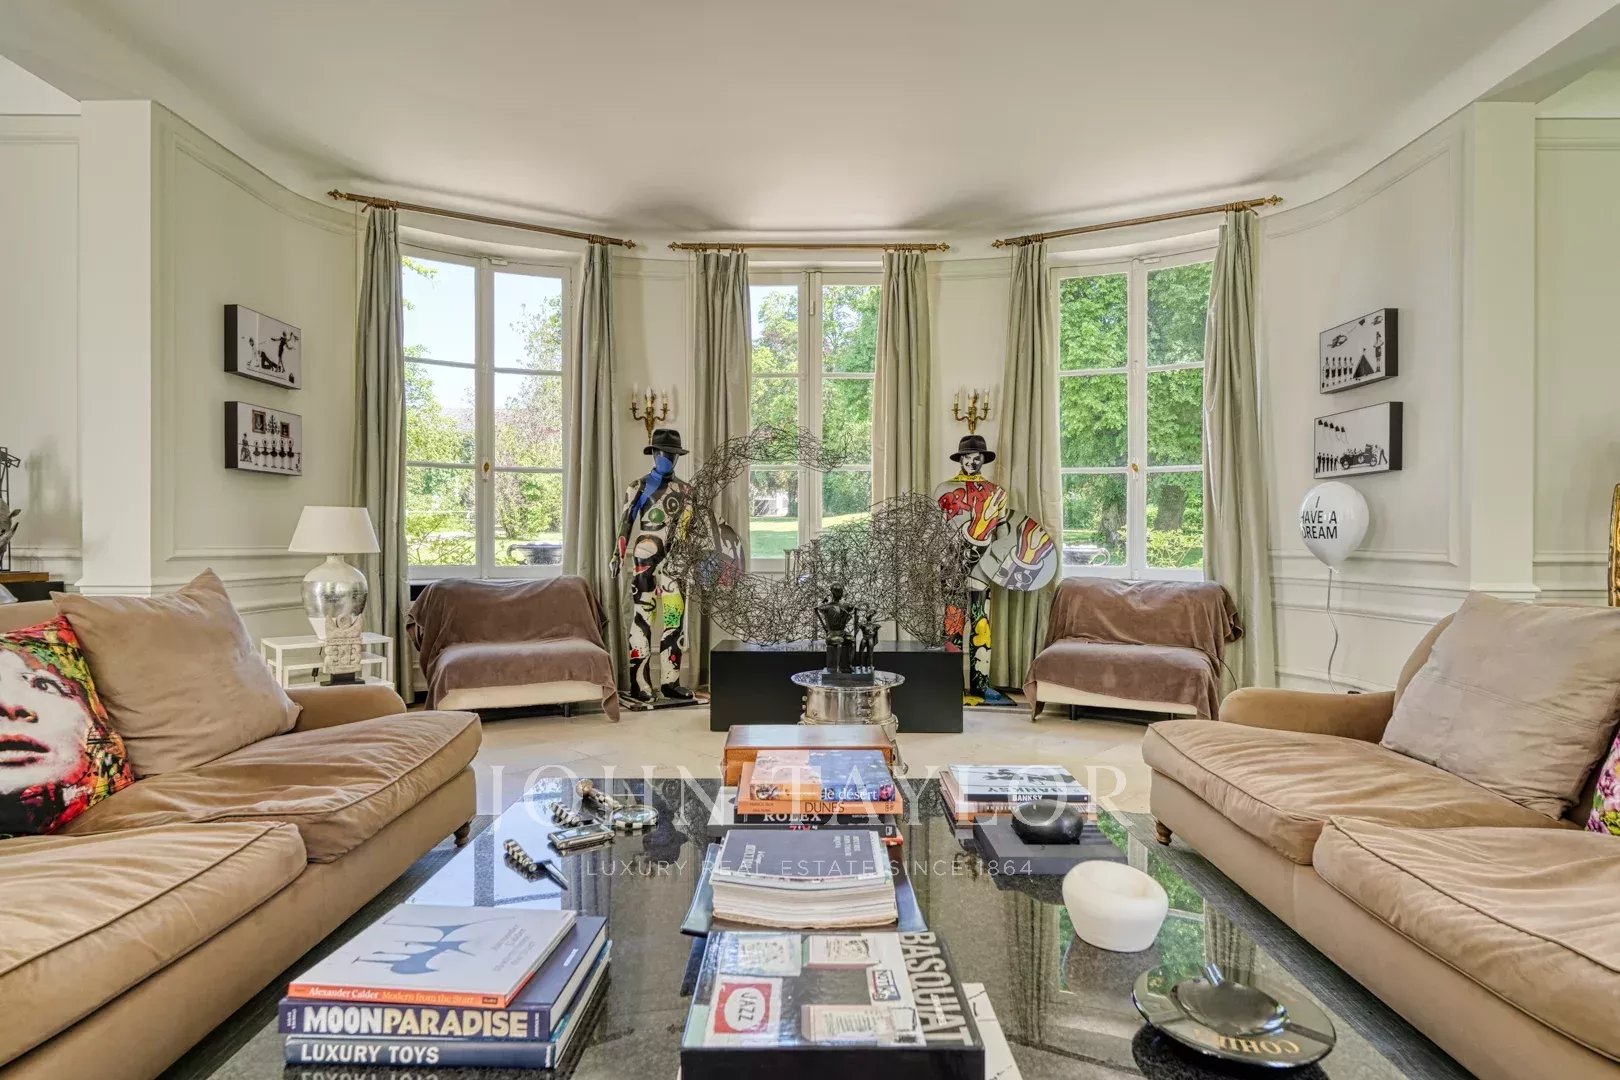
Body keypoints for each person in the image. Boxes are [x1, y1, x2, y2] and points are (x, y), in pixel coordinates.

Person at [612, 427, 696, 702]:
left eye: (672, 454)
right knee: (643, 616)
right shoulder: (638, 486)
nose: (667, 458)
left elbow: (688, 530)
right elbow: (626, 523)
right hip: (645, 556)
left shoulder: (686, 491)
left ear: (678, 456)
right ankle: (639, 682)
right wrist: (617, 555)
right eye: (662, 453)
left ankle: (670, 682)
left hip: (676, 559)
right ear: (654, 453)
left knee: (674, 620)